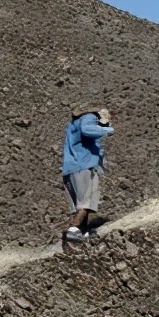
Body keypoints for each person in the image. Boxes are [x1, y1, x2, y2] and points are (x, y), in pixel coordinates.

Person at [61, 104, 113, 242]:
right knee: (86, 202)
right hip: (84, 167)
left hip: (71, 168)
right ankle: (73, 230)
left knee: (82, 204)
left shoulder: (73, 124)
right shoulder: (88, 117)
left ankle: (82, 232)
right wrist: (107, 128)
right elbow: (87, 129)